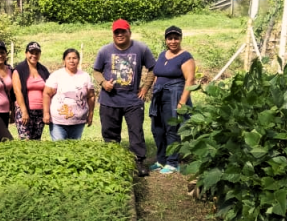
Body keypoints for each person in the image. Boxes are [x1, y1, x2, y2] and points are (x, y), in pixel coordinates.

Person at [93, 19, 156, 176]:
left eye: (123, 31)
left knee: (136, 133)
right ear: (113, 34)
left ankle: (138, 162)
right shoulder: (104, 51)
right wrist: (103, 83)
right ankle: (113, 162)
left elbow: (153, 68)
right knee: (110, 134)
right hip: (109, 100)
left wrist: (145, 87)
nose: (120, 35)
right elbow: (96, 71)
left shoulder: (141, 48)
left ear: (129, 32)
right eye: (116, 32)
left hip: (133, 101)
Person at [149, 25, 195, 174]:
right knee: (157, 129)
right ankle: (161, 160)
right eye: (170, 38)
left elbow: (189, 80)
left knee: (171, 129)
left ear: (180, 39)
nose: (173, 41)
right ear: (166, 40)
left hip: (174, 95)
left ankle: (173, 162)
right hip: (159, 95)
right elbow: (157, 74)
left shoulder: (185, 57)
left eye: (176, 38)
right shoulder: (163, 54)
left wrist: (182, 101)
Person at [43, 48, 95, 140]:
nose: (72, 60)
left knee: (74, 149)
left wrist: (90, 114)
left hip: (78, 122)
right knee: (59, 149)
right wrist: (46, 113)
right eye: (69, 58)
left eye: (74, 58)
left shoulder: (85, 76)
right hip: (58, 122)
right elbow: (47, 94)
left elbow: (91, 96)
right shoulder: (57, 75)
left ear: (78, 60)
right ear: (64, 61)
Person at [12, 41, 50, 140]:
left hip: (39, 112)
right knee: (26, 141)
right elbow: (17, 91)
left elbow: (48, 90)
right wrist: (24, 112)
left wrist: (46, 112)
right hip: (25, 111)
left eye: (36, 53)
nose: (34, 55)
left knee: (36, 141)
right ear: (26, 53)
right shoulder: (19, 70)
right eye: (31, 52)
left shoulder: (43, 70)